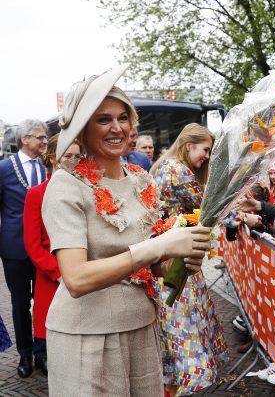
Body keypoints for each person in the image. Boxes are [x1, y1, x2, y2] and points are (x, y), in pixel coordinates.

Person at [41, 66, 211, 396]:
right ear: (83, 130)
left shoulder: (141, 181)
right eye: (103, 119)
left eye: (123, 117)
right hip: (87, 337)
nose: (116, 127)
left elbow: (152, 266)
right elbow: (76, 279)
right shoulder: (66, 185)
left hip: (143, 328)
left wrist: (181, 258)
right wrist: (160, 247)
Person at [151, 123, 227, 396]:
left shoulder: (165, 165)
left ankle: (170, 386)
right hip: (175, 260)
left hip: (171, 253)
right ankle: (176, 385)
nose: (206, 156)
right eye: (205, 150)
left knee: (173, 328)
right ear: (188, 145)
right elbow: (207, 208)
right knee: (183, 327)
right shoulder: (178, 171)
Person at [22, 134, 81, 376]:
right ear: (53, 158)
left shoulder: (85, 190)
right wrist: (60, 273)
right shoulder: (37, 193)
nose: (74, 162)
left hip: (81, 273)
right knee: (52, 331)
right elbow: (33, 244)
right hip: (51, 275)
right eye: (68, 156)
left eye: (78, 157)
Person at [0, 118, 48, 378]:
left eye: (44, 137)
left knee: (42, 302)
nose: (44, 141)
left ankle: (42, 353)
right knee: (19, 304)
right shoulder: (4, 168)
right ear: (25, 139)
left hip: (42, 247)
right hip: (14, 248)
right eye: (40, 137)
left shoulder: (46, 167)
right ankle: (25, 354)